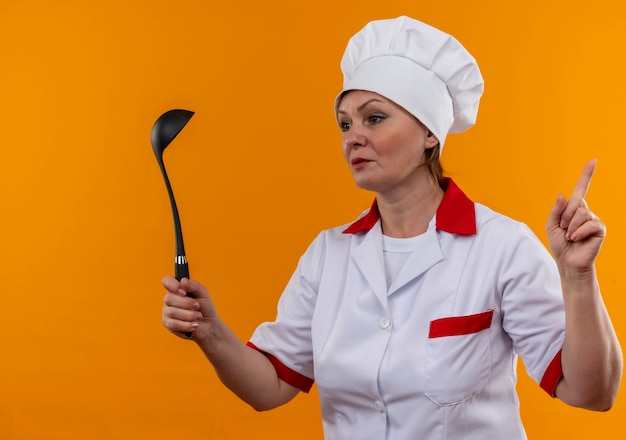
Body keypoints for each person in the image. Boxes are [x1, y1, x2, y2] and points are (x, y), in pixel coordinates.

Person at [161, 16, 622, 439]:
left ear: (429, 134)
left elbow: (590, 393)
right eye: (344, 124)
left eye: (374, 117)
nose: (352, 137)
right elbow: (272, 385)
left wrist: (578, 277)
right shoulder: (328, 255)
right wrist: (211, 331)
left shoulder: (503, 247)